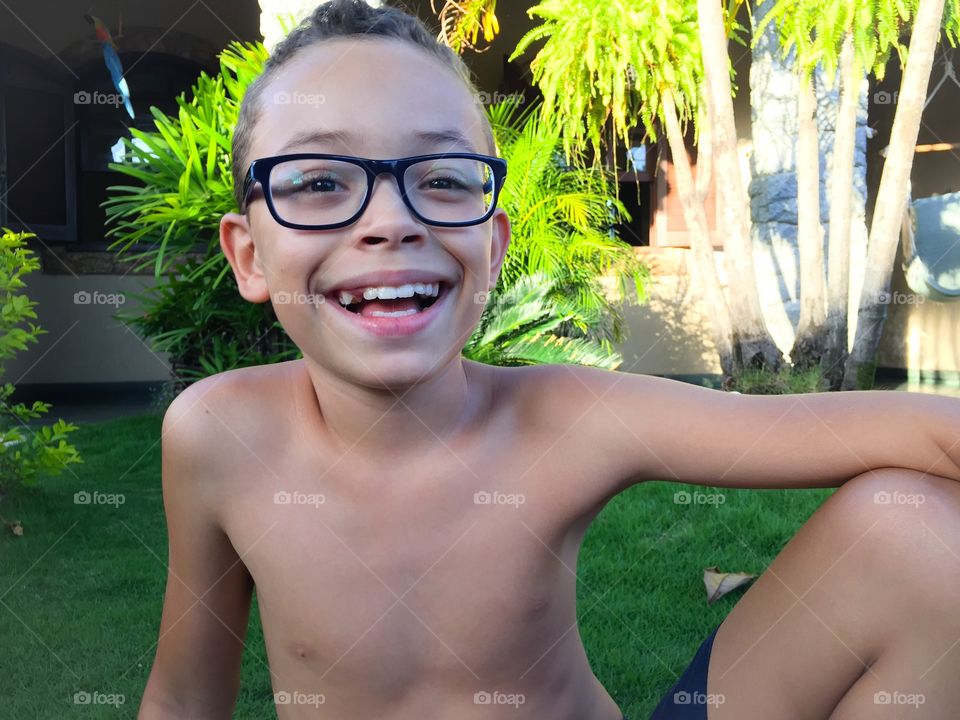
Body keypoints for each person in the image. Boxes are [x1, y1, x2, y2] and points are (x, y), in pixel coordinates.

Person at [137, 1, 960, 718]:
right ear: (249, 255)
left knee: (916, 533)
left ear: (491, 250)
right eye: (318, 182)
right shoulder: (219, 437)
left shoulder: (568, 420)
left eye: (444, 178)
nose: (389, 221)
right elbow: (182, 699)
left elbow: (916, 429)